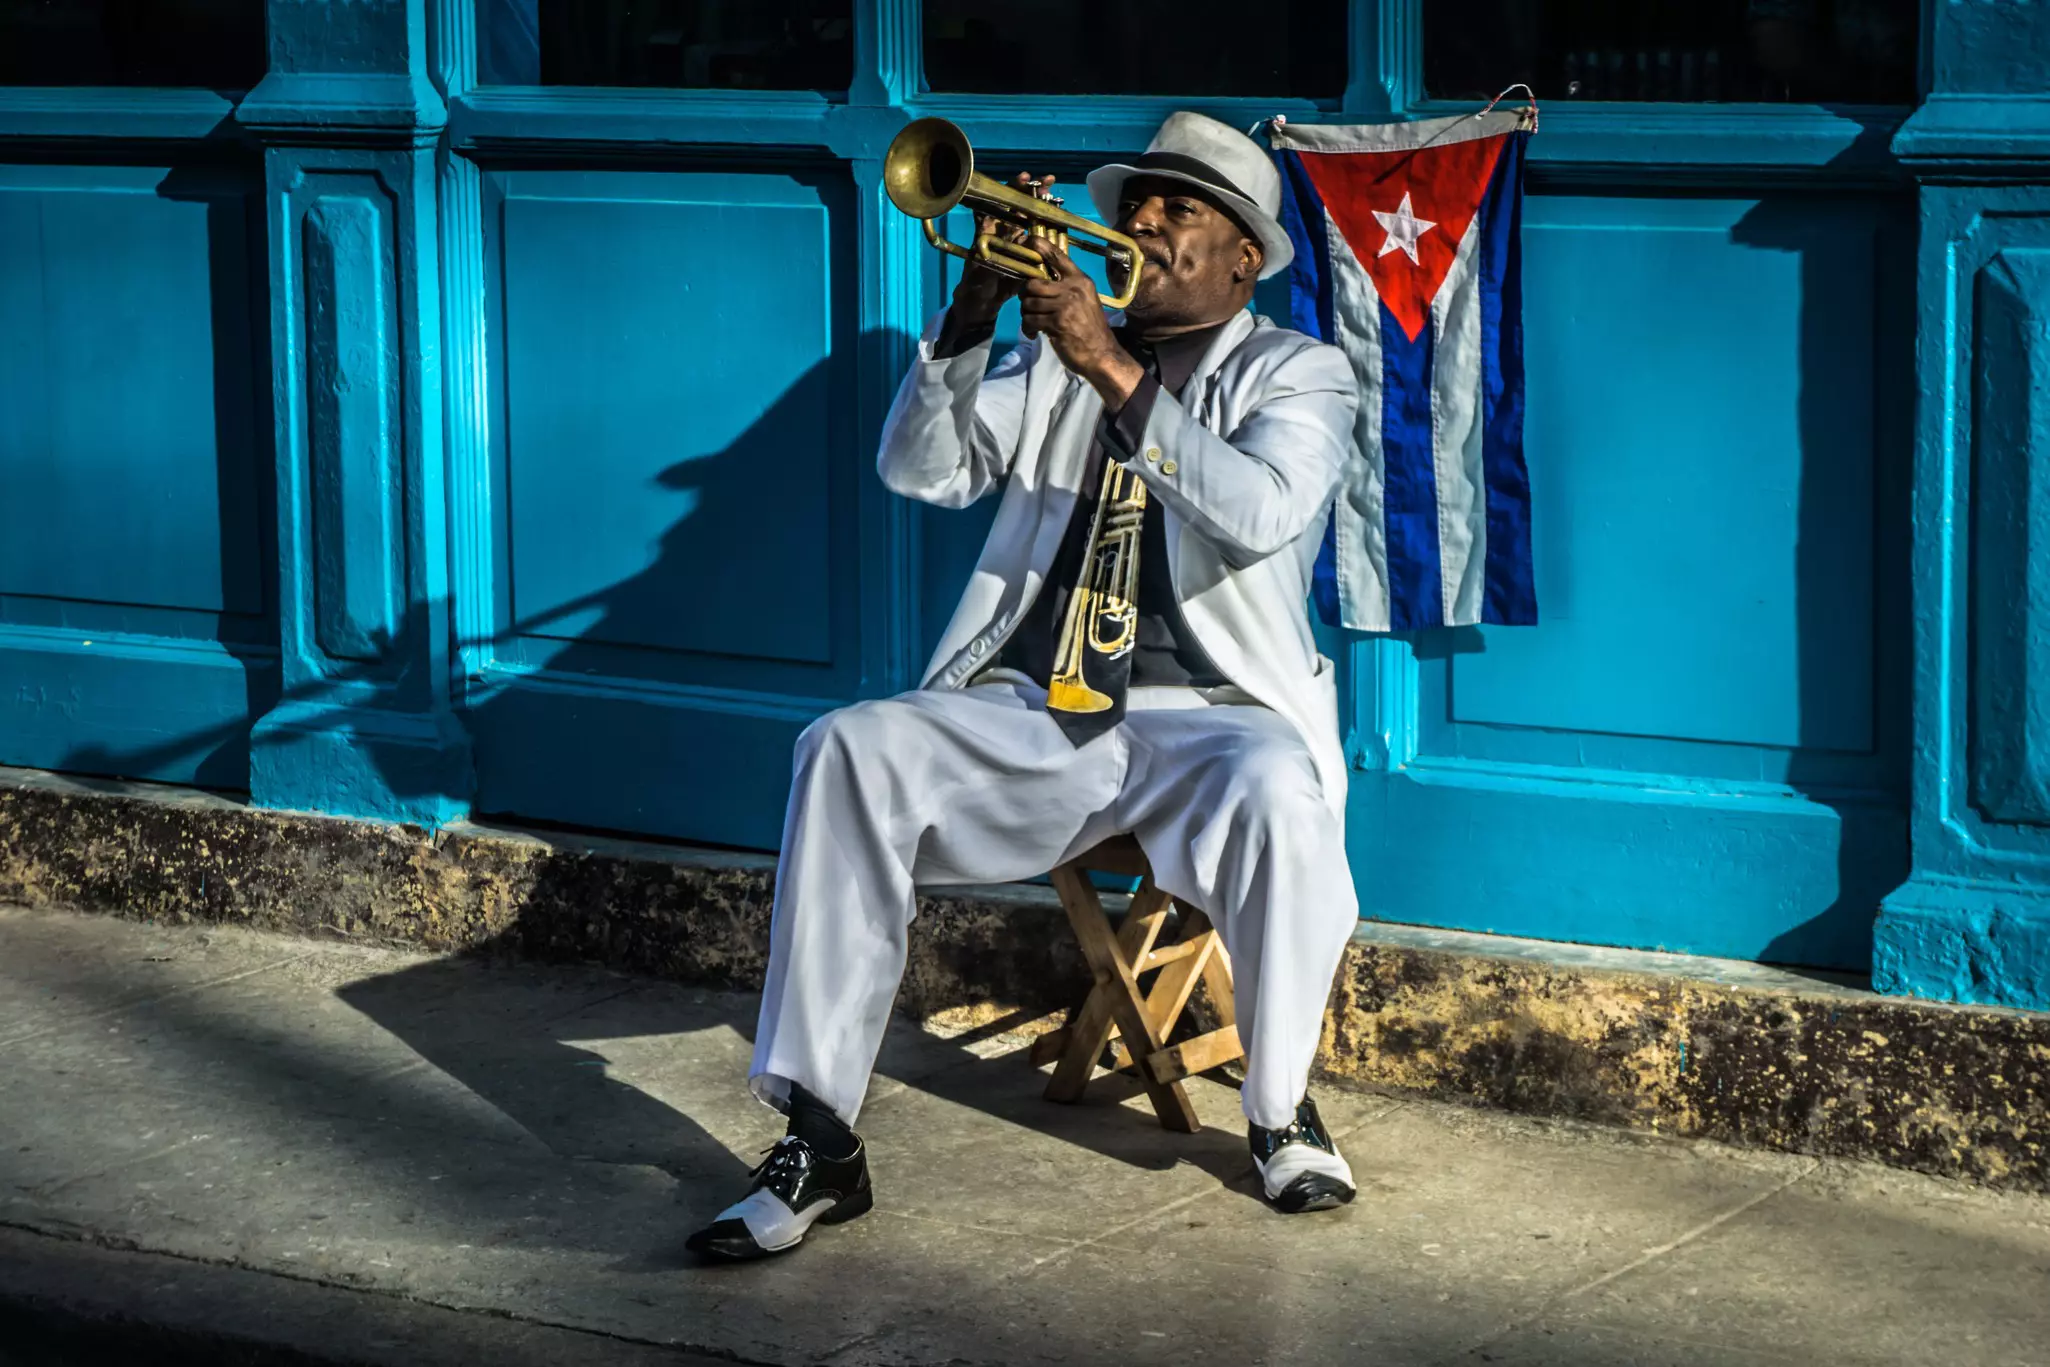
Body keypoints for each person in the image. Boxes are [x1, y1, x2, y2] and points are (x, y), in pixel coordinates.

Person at [687, 112, 1365, 1262]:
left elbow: (1257, 509)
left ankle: (1280, 1106)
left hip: (1212, 719)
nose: (1139, 223)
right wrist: (971, 316)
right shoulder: (1052, 356)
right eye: (1134, 203)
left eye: (1175, 209)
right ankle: (818, 1134)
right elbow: (922, 468)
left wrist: (1107, 362)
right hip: (1035, 706)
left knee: (1279, 793)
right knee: (845, 745)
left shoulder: (1298, 370)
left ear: (1243, 254)